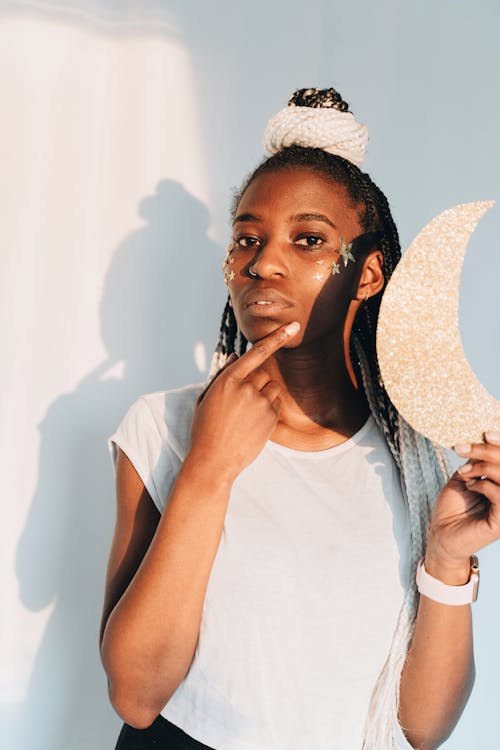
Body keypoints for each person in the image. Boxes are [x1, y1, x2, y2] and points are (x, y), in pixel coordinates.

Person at [100, 87, 500, 750]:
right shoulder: (162, 425)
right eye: (246, 239)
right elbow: (137, 698)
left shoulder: (417, 459)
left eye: (308, 239)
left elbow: (423, 730)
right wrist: (209, 466)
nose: (262, 262)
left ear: (369, 273)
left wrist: (447, 557)